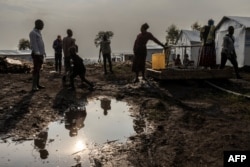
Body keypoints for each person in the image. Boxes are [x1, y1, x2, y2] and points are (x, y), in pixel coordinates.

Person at [29, 19, 46, 91]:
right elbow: (34, 44)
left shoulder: (38, 32)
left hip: (40, 54)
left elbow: (40, 43)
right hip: (36, 54)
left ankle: (37, 84)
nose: (43, 26)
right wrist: (38, 54)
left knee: (38, 69)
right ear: (37, 24)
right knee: (36, 69)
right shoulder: (33, 33)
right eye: (42, 25)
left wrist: (43, 52)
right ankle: (34, 86)